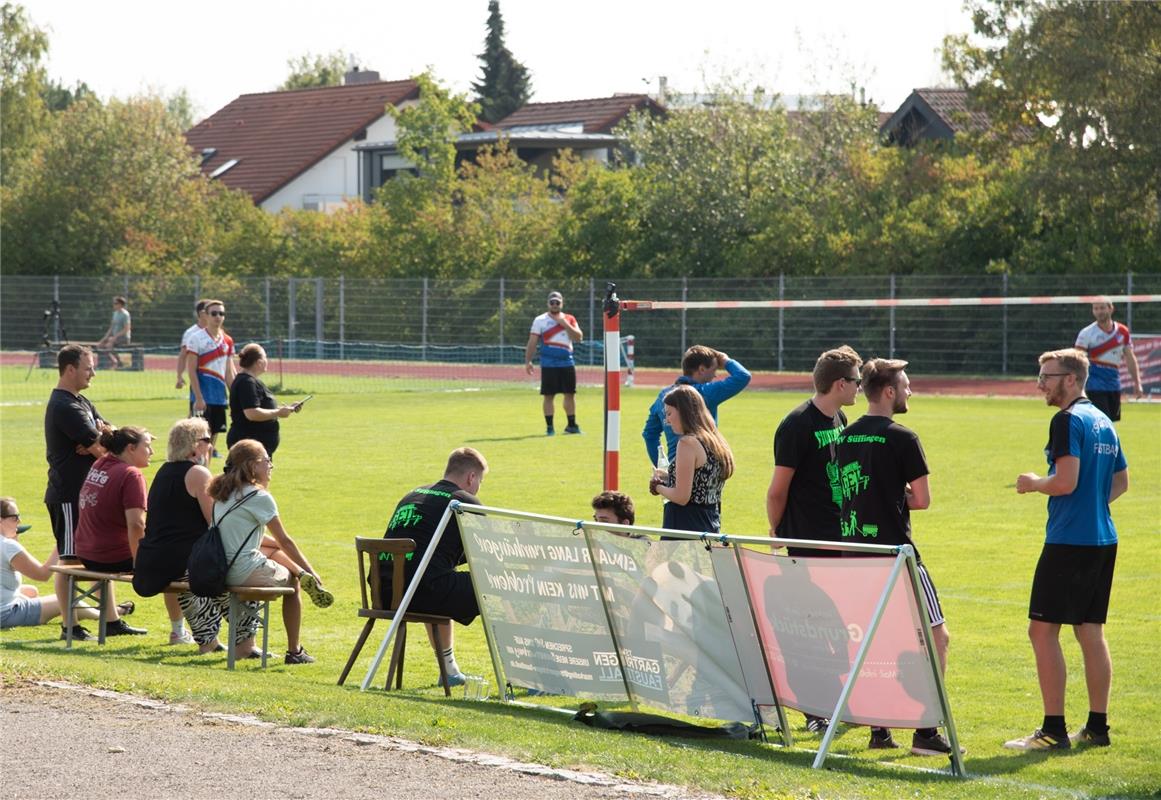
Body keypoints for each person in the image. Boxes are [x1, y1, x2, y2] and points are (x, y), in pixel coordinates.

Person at [1005, 348, 1128, 752]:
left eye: (1047, 376)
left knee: (1041, 631)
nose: (1040, 383)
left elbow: (1065, 481)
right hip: (1102, 539)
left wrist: (1033, 481)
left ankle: (1053, 731)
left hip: (1068, 541)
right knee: (1090, 631)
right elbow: (1121, 482)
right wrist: (1092, 505)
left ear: (1071, 379)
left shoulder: (1067, 419)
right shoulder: (1103, 421)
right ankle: (1097, 727)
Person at [834, 358, 955, 757]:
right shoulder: (904, 438)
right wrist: (896, 493)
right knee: (937, 637)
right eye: (905, 385)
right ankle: (926, 728)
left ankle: (879, 728)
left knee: (874, 641)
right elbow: (921, 500)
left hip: (857, 557)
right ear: (888, 392)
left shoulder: (844, 437)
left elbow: (846, 493)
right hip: (897, 556)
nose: (909, 391)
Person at [765, 344, 862, 734]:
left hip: (838, 540)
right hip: (806, 543)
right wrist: (777, 531)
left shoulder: (838, 416)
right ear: (839, 383)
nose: (860, 388)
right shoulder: (797, 424)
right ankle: (813, 711)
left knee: (837, 627)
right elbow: (777, 490)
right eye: (856, 381)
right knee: (807, 630)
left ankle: (841, 702)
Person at [134, 418, 257, 653]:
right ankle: (245, 644)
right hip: (181, 561)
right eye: (207, 440)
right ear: (193, 445)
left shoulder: (165, 470)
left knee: (202, 575)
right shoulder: (198, 473)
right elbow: (215, 522)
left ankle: (209, 642)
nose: (210, 446)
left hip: (155, 559)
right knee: (244, 570)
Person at [209, 439, 332, 664]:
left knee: (268, 547)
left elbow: (242, 536)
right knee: (293, 582)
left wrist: (275, 546)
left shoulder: (222, 494)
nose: (270, 466)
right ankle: (295, 651)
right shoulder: (259, 496)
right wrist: (310, 569)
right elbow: (285, 539)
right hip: (242, 570)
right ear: (253, 465)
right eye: (267, 460)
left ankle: (298, 572)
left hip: (219, 569)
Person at [380, 447, 488, 685]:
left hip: (385, 592)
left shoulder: (411, 495)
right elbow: (486, 551)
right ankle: (525, 672)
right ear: (471, 477)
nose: (478, 486)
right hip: (422, 591)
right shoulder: (463, 500)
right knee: (498, 585)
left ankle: (449, 670)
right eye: (480, 480)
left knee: (437, 575)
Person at [44, 344, 111, 641]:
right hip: (68, 496)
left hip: (86, 496)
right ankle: (69, 626)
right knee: (70, 561)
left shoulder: (81, 401)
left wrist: (102, 437)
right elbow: (101, 448)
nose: (93, 373)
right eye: (88, 368)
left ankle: (111, 621)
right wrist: (99, 443)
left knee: (103, 557)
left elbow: (110, 434)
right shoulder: (65, 406)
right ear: (70, 369)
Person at [73, 426, 154, 637]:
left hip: (86, 553)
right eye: (147, 446)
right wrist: (141, 563)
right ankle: (179, 631)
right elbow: (137, 525)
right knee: (177, 561)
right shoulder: (131, 475)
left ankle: (112, 623)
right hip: (110, 557)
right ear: (130, 448)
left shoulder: (100, 463)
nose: (152, 452)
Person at [2, 497, 99, 630]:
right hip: (5, 614)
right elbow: (43, 575)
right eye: (14, 517)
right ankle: (106, 614)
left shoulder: (7, 544)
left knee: (31, 591)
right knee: (63, 601)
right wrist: (62, 545)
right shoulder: (8, 546)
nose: (19, 521)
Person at [643, 345, 750, 466]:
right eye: (714, 370)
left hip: (675, 468)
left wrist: (663, 466)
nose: (715, 376)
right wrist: (725, 360)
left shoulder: (663, 396)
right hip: (704, 467)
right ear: (702, 369)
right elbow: (743, 376)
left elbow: (649, 434)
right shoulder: (705, 392)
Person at [649, 385, 734, 534]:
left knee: (657, 558)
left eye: (669, 414)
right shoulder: (715, 440)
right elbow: (701, 482)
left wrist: (657, 486)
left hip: (684, 525)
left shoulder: (687, 443)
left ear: (683, 412)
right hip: (710, 522)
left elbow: (682, 497)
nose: (667, 421)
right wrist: (668, 476)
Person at [1074, 298, 1143, 421]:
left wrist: (1137, 383)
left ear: (1111, 308)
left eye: (1102, 308)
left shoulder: (1122, 331)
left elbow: (1130, 357)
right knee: (1100, 420)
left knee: (1111, 421)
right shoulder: (1086, 333)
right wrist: (1078, 385)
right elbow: (1078, 360)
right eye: (1096, 308)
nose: (1099, 311)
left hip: (1113, 383)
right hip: (1094, 383)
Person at [524, 291, 584, 435]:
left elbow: (578, 337)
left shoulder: (569, 318)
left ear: (562, 303)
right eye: (552, 302)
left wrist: (564, 324)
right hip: (549, 363)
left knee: (570, 394)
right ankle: (550, 427)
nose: (555, 305)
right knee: (548, 395)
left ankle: (571, 425)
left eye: (557, 302)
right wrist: (528, 360)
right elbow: (532, 342)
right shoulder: (540, 320)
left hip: (567, 362)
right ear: (548, 303)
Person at [228, 343, 302, 458]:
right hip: (249, 447)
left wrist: (286, 409)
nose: (267, 361)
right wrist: (278, 413)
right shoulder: (247, 383)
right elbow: (252, 413)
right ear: (259, 362)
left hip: (256, 447)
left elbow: (259, 407)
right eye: (265, 357)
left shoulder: (249, 381)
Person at [186, 299, 236, 458]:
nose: (218, 317)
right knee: (198, 440)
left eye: (221, 313)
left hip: (219, 398)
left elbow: (228, 372)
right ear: (205, 315)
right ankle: (192, 473)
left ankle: (206, 475)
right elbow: (192, 370)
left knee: (211, 443)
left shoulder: (228, 340)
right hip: (203, 398)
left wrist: (235, 398)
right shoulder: (196, 338)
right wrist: (199, 398)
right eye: (214, 313)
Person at [177, 299, 209, 394]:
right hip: (199, 380)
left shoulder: (218, 333)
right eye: (212, 312)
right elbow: (183, 356)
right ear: (202, 313)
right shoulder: (191, 333)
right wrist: (179, 376)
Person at [96, 295, 132, 370]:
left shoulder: (125, 314)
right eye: (114, 303)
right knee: (100, 345)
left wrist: (114, 337)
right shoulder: (115, 314)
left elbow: (126, 329)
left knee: (109, 344)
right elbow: (111, 328)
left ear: (121, 304)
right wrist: (104, 339)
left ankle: (118, 363)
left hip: (124, 337)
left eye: (116, 303)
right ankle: (106, 364)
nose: (114, 305)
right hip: (114, 337)